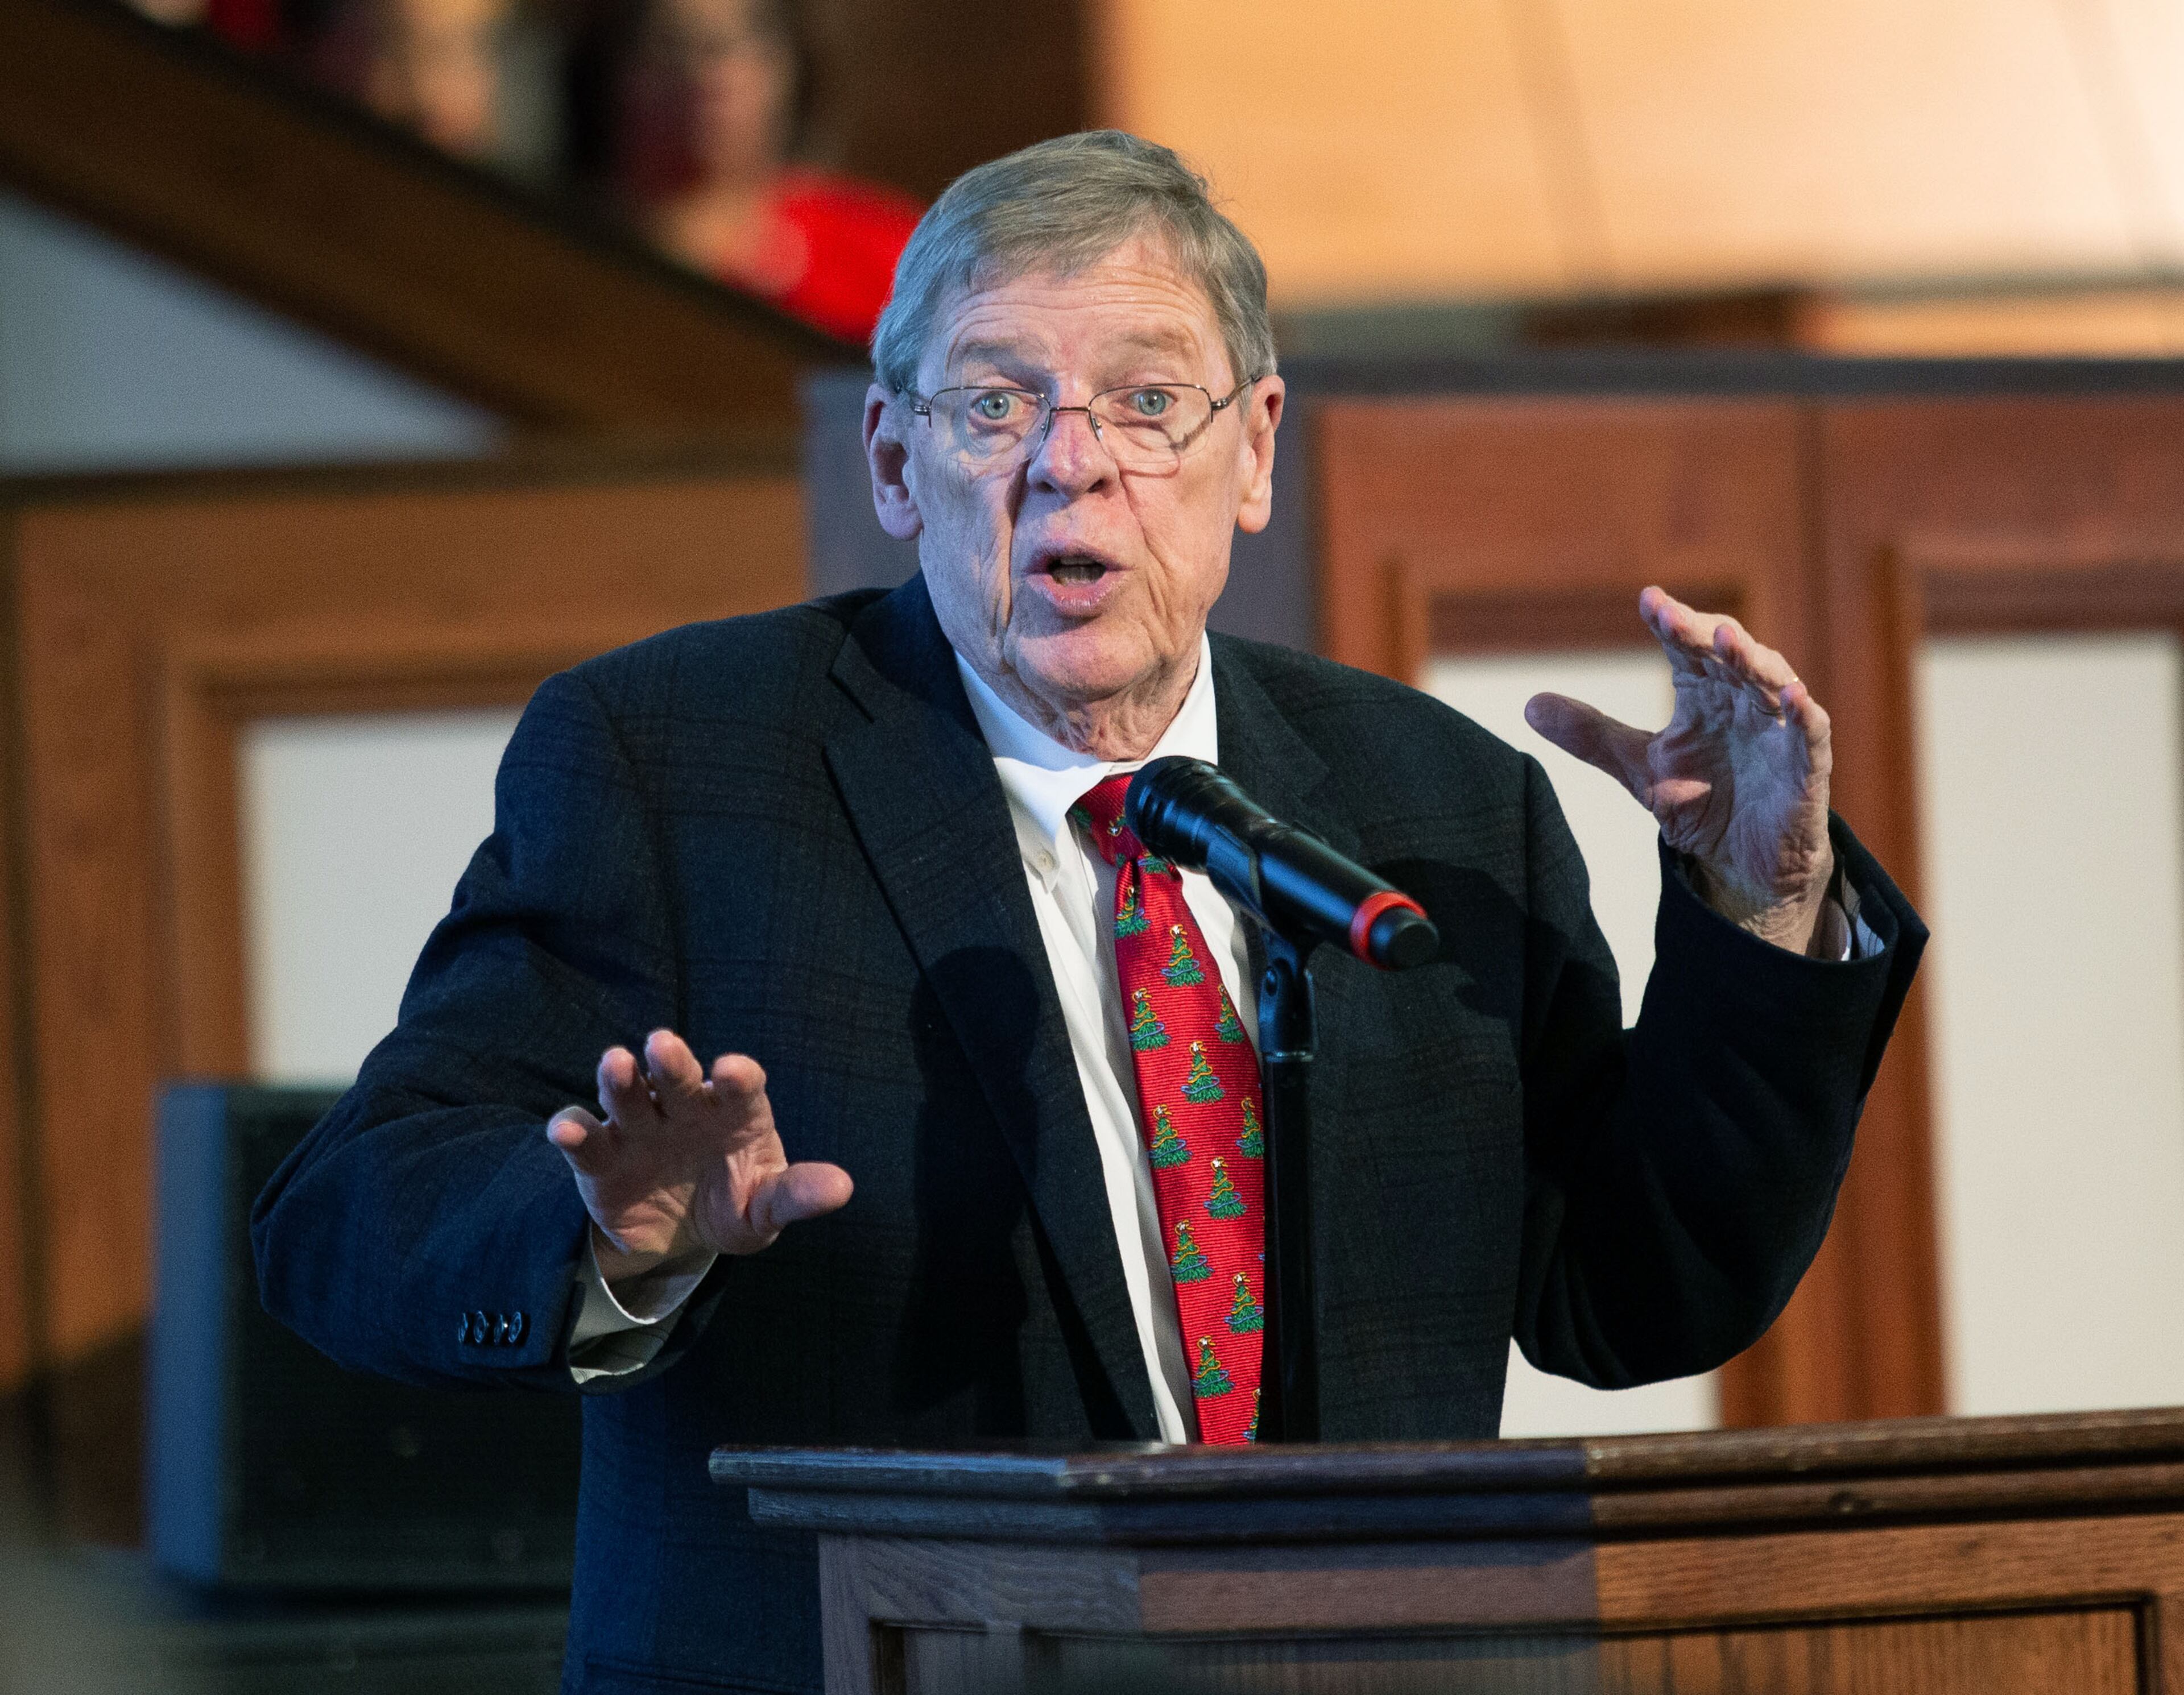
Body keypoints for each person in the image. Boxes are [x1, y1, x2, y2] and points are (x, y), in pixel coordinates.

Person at [254, 131, 1924, 1693]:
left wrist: (1757, 907)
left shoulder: (1429, 804)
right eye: (995, 403)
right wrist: (610, 1240)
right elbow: (345, 1223)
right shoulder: (671, 765)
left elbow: (1636, 1293)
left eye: (1143, 402)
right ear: (894, 460)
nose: (1071, 465)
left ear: (1252, 449)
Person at [615, 0, 920, 342]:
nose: (711, 74)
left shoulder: (895, 257)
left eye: (745, 38)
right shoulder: (582, 266)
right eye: (674, 43)